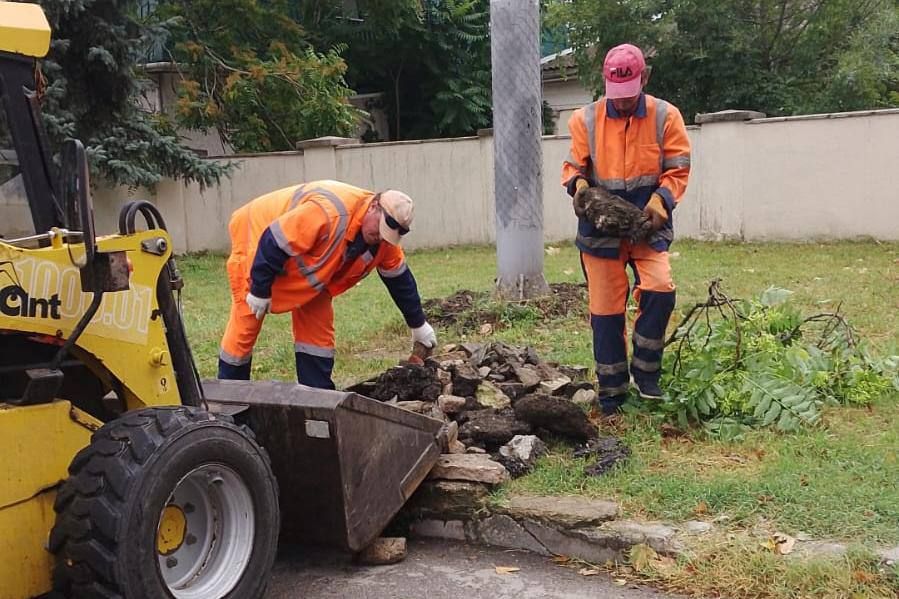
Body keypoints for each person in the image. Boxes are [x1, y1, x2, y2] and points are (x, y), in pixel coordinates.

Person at [560, 43, 691, 414]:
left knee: (660, 289)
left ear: (644, 78)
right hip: (600, 230)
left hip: (646, 224)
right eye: (615, 95)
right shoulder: (584, 119)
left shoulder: (666, 117)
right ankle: (612, 393)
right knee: (605, 312)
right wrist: (580, 187)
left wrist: (661, 200)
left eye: (629, 95)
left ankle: (647, 375)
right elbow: (573, 167)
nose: (621, 102)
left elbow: (678, 168)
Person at [217, 179, 437, 389]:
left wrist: (418, 324)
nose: (380, 238)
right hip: (256, 239)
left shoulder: (384, 241)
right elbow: (274, 240)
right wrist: (259, 289)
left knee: (317, 335)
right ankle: (230, 399)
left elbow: (399, 279)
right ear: (374, 207)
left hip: (308, 272)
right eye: (379, 231)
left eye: (386, 236)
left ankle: (317, 397)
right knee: (246, 323)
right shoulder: (328, 212)